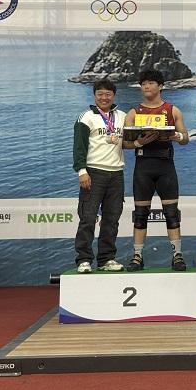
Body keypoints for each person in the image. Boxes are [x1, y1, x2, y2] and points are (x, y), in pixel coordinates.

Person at [124, 69, 189, 272]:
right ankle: (137, 256)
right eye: (144, 84)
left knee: (172, 214)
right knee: (140, 215)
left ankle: (177, 256)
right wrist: (138, 142)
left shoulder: (172, 110)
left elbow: (186, 138)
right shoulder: (134, 112)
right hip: (143, 167)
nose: (147, 87)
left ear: (160, 86)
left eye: (151, 83)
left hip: (165, 166)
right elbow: (125, 143)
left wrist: (177, 136)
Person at [73, 79, 126, 273]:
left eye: (108, 94)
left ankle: (106, 259)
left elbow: (128, 140)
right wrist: (82, 171)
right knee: (87, 218)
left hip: (116, 174)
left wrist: (139, 143)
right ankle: (84, 260)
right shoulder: (86, 117)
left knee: (111, 219)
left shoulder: (122, 116)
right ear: (94, 95)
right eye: (100, 94)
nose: (104, 98)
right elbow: (79, 147)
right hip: (93, 173)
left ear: (114, 96)